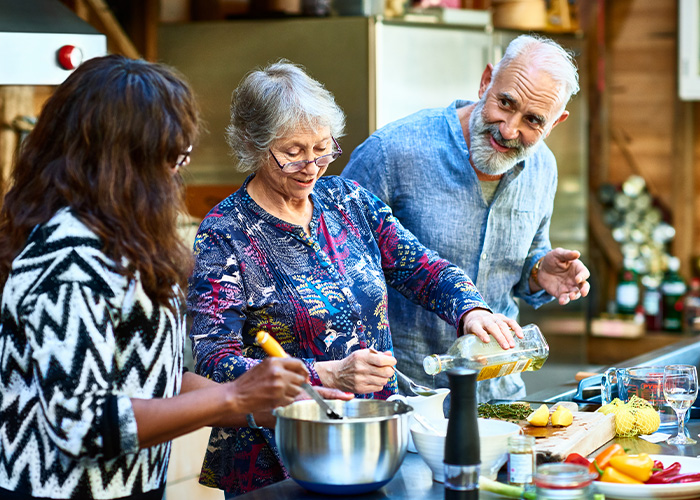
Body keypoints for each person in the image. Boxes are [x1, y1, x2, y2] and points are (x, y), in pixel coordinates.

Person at [0, 55, 331, 500]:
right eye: (172, 155)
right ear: (122, 159)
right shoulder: (69, 257)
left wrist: (266, 406)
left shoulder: (121, 238)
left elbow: (156, 377)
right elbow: (82, 427)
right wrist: (233, 397)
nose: (178, 170)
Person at [187, 60, 522, 497]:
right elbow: (214, 361)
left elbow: (420, 266)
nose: (311, 166)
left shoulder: (346, 200)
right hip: (278, 456)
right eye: (293, 152)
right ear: (254, 144)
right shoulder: (225, 231)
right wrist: (324, 374)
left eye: (323, 149)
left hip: (370, 441)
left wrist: (469, 308)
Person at [342, 34, 591, 403]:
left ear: (555, 123)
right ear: (485, 81)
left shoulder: (544, 169)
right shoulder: (393, 151)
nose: (508, 130)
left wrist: (539, 271)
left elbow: (525, 258)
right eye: (505, 103)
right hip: (407, 395)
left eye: (533, 120)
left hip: (499, 395)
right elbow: (332, 263)